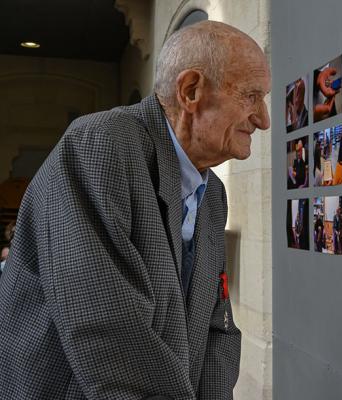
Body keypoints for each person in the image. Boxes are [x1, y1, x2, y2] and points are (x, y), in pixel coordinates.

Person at [0, 21, 269, 399]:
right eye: (251, 96)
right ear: (191, 91)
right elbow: (108, 332)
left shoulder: (213, 194)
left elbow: (217, 328)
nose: (263, 119)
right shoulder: (100, 146)